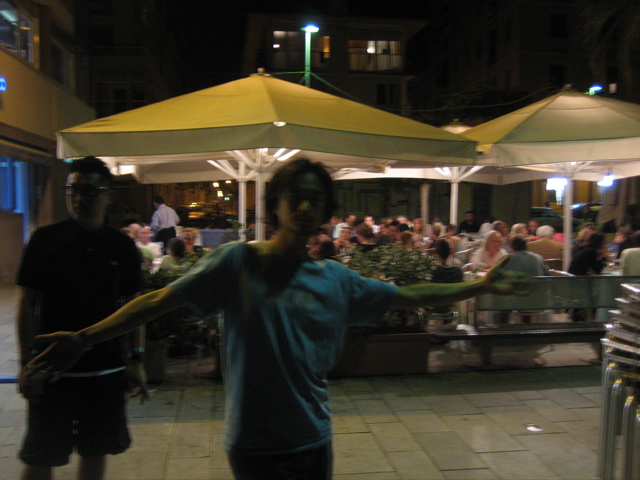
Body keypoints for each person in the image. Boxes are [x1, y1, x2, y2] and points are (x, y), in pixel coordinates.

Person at [24, 159, 531, 480]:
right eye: (295, 196)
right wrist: (85, 338)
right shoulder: (238, 262)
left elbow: (407, 295)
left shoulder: (335, 278)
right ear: (276, 205)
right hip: (255, 446)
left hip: (314, 438)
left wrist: (479, 287)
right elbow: (157, 302)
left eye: (315, 199)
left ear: (326, 210)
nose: (305, 206)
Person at [16, 157, 148, 480]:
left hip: (105, 369)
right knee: (40, 455)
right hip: (52, 369)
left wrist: (137, 359)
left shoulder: (121, 246)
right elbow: (27, 303)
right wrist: (27, 363)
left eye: (88, 191)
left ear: (109, 196)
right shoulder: (45, 240)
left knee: (95, 450)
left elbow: (134, 307)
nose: (78, 199)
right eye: (72, 191)